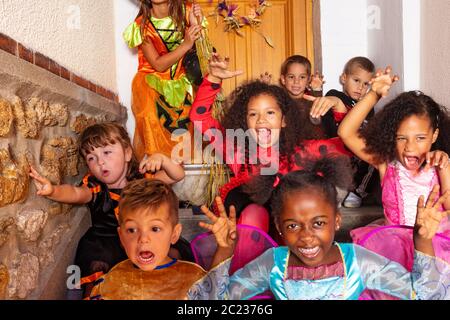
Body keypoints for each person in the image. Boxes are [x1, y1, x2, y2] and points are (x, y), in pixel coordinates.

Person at [188, 156, 450, 300]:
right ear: (279, 226)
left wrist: (422, 241)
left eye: (319, 223)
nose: (306, 237)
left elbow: (424, 295)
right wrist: (224, 249)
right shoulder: (273, 264)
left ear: (336, 220)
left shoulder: (358, 262)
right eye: (293, 225)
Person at [189, 53, 351, 238]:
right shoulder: (237, 149)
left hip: (288, 233)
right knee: (253, 213)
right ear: (245, 121)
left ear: (284, 120)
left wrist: (338, 105)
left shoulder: (302, 150)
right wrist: (214, 78)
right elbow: (199, 117)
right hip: (247, 230)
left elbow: (348, 143)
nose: (261, 121)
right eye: (253, 114)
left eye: (270, 113)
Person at [29, 122, 188, 295]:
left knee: (171, 254)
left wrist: (163, 159)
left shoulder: (144, 181)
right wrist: (53, 190)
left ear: (127, 153)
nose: (100, 162)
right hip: (106, 242)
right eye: (91, 158)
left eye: (106, 152)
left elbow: (177, 175)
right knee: (97, 269)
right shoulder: (95, 188)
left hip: (140, 236)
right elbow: (75, 193)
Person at [338, 68, 450, 277]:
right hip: (391, 247)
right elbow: (346, 133)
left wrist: (445, 164)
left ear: (434, 135)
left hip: (436, 246)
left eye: (420, 138)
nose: (409, 147)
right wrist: (374, 94)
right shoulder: (385, 164)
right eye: (401, 138)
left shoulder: (440, 165)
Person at [89, 179, 230, 300]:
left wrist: (226, 247)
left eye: (155, 229)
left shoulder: (191, 278)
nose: (143, 239)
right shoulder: (111, 283)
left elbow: (215, 294)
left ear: (174, 234)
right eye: (132, 230)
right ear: (121, 237)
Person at [123, 0, 203, 160]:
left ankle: (184, 170)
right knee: (150, 115)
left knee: (191, 118)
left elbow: (203, 53)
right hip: (152, 81)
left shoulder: (187, 12)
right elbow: (158, 65)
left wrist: (196, 23)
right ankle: (156, 166)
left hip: (182, 79)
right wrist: (186, 45)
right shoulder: (141, 26)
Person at [326, 57, 378, 208]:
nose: (360, 87)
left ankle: (356, 192)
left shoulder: (368, 106)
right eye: (356, 80)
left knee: (374, 156)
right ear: (344, 78)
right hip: (338, 149)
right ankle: (334, 192)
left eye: (366, 84)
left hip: (356, 153)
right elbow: (332, 100)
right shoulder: (336, 95)